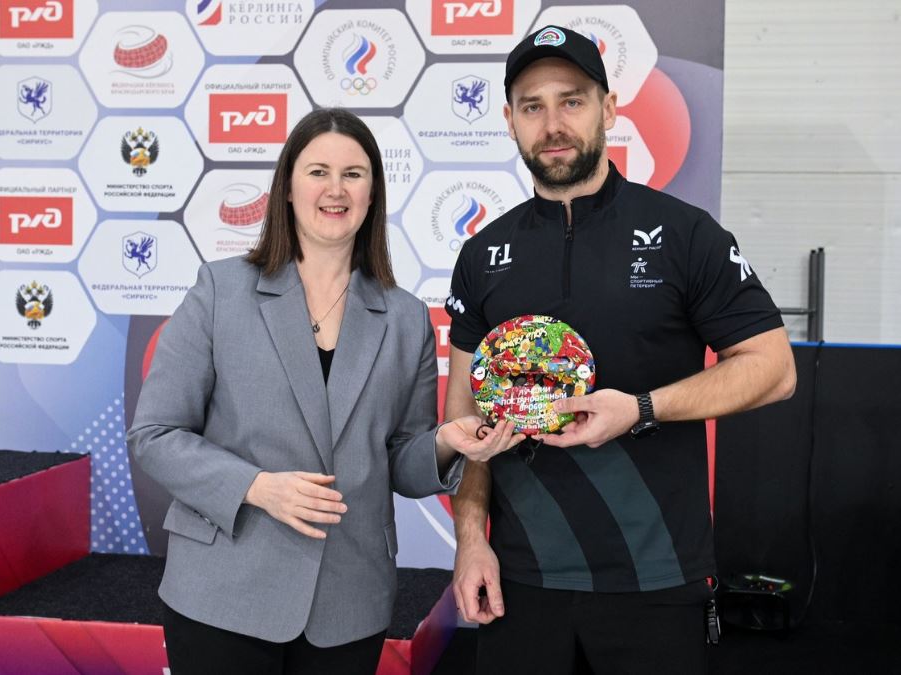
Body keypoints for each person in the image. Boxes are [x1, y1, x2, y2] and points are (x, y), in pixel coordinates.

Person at [444, 26, 797, 675]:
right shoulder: (484, 255)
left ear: (608, 109)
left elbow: (774, 369)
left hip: (655, 577)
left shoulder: (685, 234)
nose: (553, 123)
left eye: (572, 100)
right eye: (532, 106)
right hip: (522, 580)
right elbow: (465, 419)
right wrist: (471, 541)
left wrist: (640, 407)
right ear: (510, 121)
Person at [127, 108, 518, 675]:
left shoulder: (405, 317)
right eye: (318, 172)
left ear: (372, 194)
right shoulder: (220, 290)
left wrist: (444, 443)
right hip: (222, 592)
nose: (336, 189)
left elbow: (400, 463)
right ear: (288, 187)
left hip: (348, 600)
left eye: (353, 174)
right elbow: (156, 435)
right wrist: (257, 487)